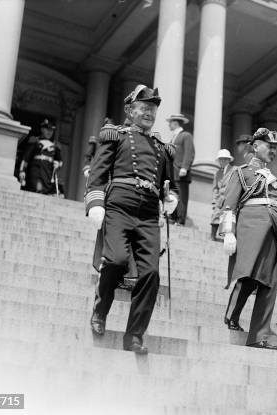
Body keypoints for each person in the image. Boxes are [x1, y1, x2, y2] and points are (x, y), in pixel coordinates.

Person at [86, 84, 179, 354]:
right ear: (129, 110)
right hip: (119, 205)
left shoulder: (162, 147)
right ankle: (100, 310)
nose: (149, 112)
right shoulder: (115, 136)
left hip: (149, 213)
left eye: (153, 108)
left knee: (150, 274)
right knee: (115, 260)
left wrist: (172, 199)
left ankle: (135, 335)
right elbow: (98, 173)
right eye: (144, 107)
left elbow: (170, 185)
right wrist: (95, 201)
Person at [220, 127, 277, 350]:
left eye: (274, 148)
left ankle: (258, 336)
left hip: (273, 233)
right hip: (250, 229)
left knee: (269, 284)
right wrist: (228, 232)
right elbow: (229, 205)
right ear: (256, 146)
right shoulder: (241, 172)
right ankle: (231, 315)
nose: (272, 151)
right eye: (269, 146)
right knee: (248, 275)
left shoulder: (274, 178)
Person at [19, 119, 62, 194]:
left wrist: (58, 165)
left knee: (45, 191)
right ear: (42, 129)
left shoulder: (56, 146)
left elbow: (60, 161)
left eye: (51, 130)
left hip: (48, 173)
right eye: (47, 129)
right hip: (35, 171)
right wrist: (22, 170)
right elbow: (26, 158)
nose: (49, 132)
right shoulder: (34, 141)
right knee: (36, 188)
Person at [167, 114, 194, 225]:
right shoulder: (174, 137)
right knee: (173, 194)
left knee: (181, 196)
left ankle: (180, 219)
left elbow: (189, 152)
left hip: (181, 171)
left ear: (175, 123)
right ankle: (173, 216)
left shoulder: (186, 135)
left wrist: (185, 167)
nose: (169, 125)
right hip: (172, 171)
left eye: (170, 122)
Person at [210, 149, 234, 241]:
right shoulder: (217, 173)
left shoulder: (234, 170)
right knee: (215, 215)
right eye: (221, 159)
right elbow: (215, 188)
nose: (223, 161)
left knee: (227, 218)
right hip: (219, 199)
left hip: (229, 198)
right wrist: (214, 200)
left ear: (228, 160)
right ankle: (212, 236)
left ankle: (225, 238)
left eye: (225, 159)